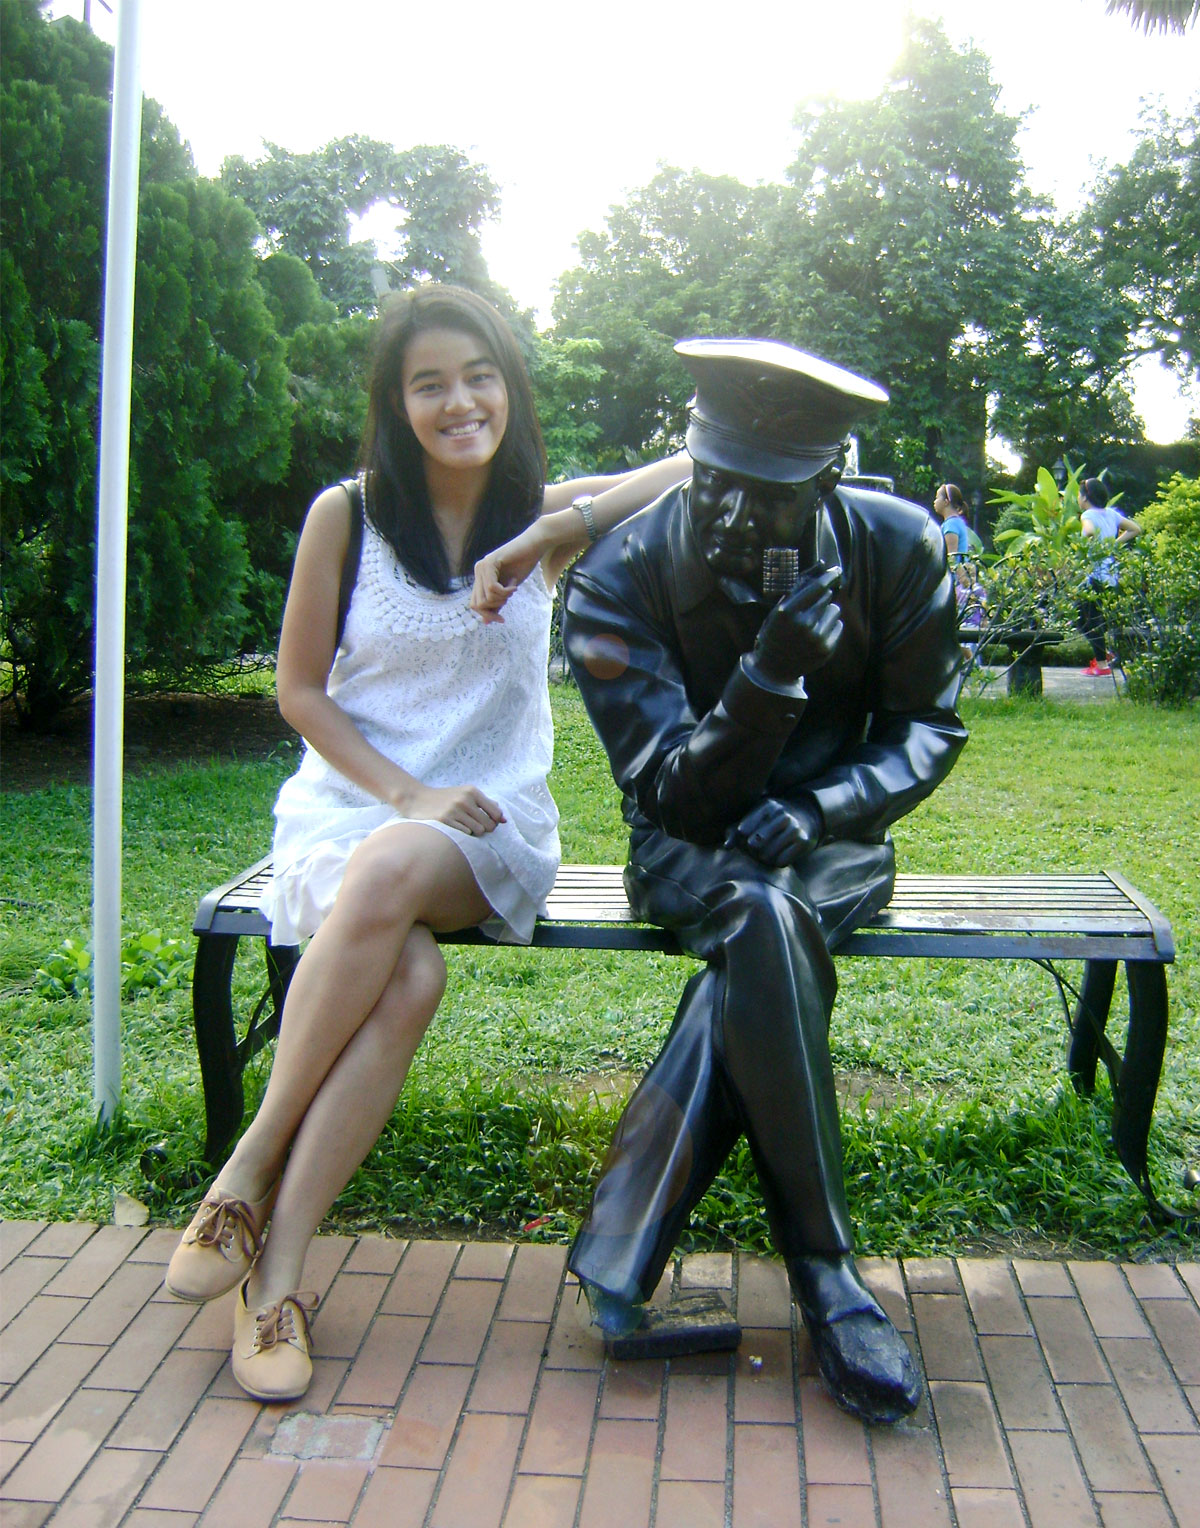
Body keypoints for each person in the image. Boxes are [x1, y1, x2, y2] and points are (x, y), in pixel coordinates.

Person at [164, 284, 689, 1402]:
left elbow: (700, 466)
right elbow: (300, 692)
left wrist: (561, 527)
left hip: (490, 826)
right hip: (354, 806)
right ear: (397, 404)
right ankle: (279, 1280)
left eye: (481, 374)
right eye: (431, 382)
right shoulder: (344, 517)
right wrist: (406, 789)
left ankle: (246, 1165)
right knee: (405, 973)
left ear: (511, 386)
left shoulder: (543, 518)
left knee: (397, 870)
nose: (460, 400)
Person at [558, 338, 967, 1425]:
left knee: (767, 919)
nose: (731, 517)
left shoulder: (896, 546)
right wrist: (770, 676)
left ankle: (622, 1241)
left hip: (830, 841)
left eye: (767, 497)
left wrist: (824, 805)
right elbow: (673, 791)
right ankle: (828, 1275)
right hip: (688, 843)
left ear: (828, 484)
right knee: (752, 908)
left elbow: (930, 725)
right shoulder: (617, 575)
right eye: (713, 483)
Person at [1077, 477, 1140, 676]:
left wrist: (1087, 546)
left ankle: (1102, 664)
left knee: (1083, 620)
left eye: (1080, 494)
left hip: (1094, 575)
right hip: (1110, 575)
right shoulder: (1111, 514)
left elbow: (1087, 532)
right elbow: (1136, 529)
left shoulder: (1087, 514)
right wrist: (1113, 544)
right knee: (1093, 619)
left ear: (1086, 497)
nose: (1078, 498)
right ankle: (1104, 656)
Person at [933, 482, 977, 565]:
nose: (934, 501)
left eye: (937, 498)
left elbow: (951, 559)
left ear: (946, 502)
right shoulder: (956, 522)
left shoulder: (951, 525)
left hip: (954, 577)